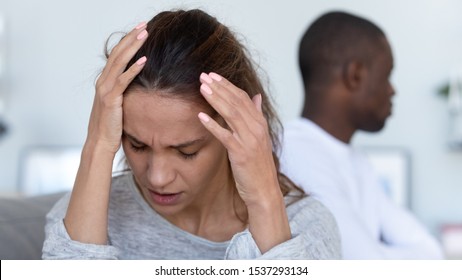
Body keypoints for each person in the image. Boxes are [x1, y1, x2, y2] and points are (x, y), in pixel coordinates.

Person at [42, 9, 340, 259]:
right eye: (137, 145)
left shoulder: (306, 226)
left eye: (186, 151)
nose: (157, 177)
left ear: (234, 128)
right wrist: (97, 145)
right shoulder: (85, 213)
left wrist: (263, 199)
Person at [280, 11, 443, 259]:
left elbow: (431, 252)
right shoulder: (295, 152)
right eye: (387, 75)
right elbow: (364, 265)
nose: (392, 91)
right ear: (354, 75)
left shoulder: (356, 160)